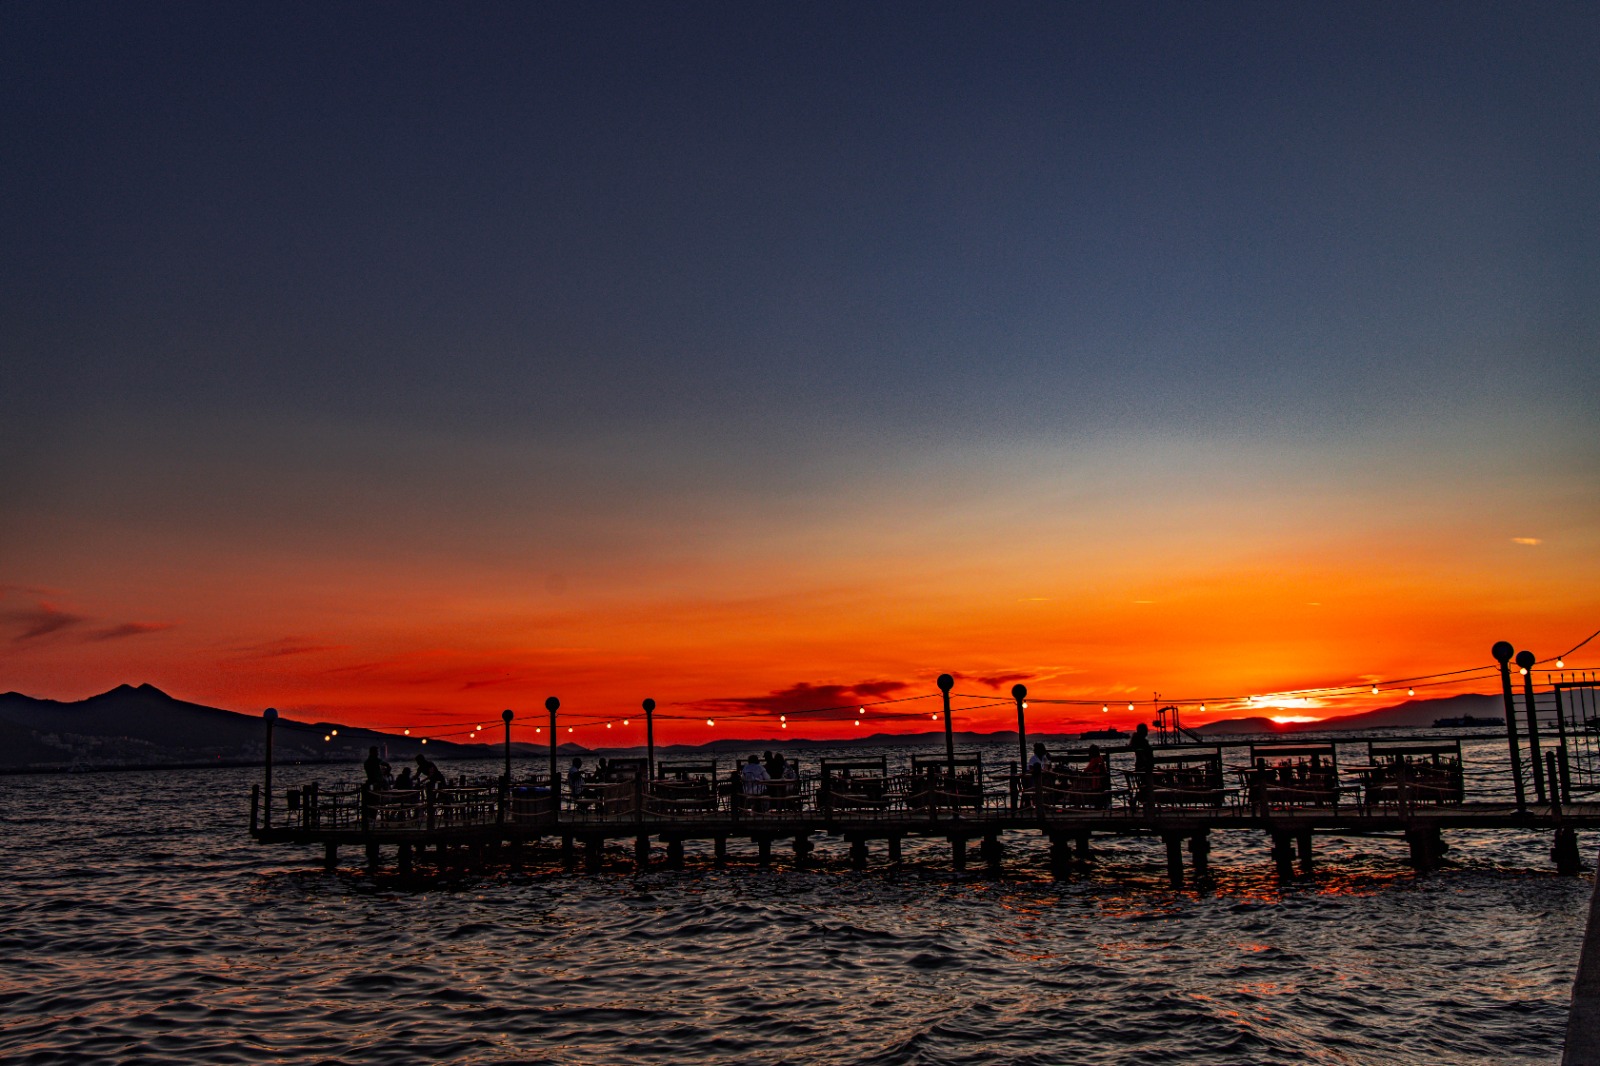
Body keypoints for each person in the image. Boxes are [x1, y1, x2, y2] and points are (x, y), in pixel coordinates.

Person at [1129, 723, 1154, 810]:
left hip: (1141, 767)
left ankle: (1137, 801)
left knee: (1143, 787)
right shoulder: (1142, 742)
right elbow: (1142, 754)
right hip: (1144, 768)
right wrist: (1147, 763)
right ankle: (1141, 802)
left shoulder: (1137, 741)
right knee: (1146, 787)